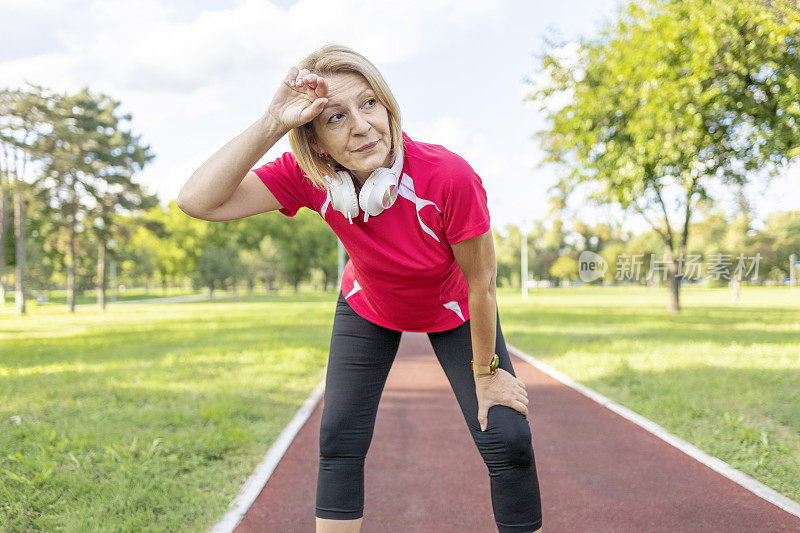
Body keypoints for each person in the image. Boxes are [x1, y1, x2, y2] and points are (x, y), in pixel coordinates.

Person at [177, 44, 543, 533]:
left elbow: (483, 280)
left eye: (369, 103)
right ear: (317, 143)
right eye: (335, 116)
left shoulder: (448, 176)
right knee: (339, 438)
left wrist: (487, 371)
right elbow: (197, 201)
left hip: (454, 307)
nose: (361, 125)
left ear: (388, 107)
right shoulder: (309, 178)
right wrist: (272, 120)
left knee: (508, 435)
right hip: (368, 305)